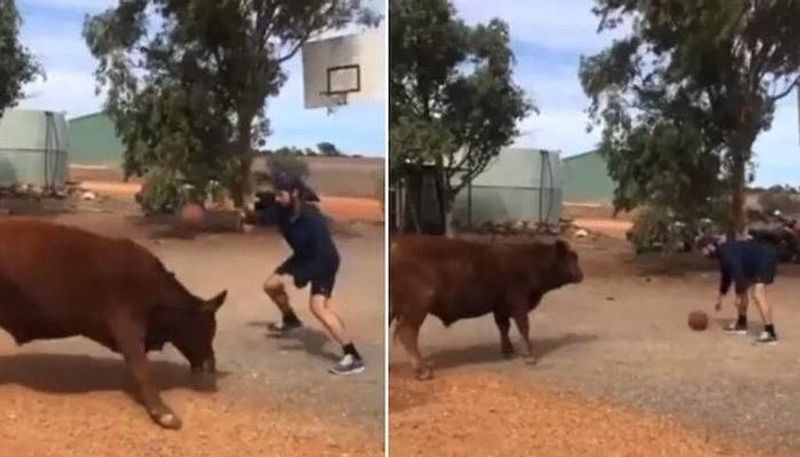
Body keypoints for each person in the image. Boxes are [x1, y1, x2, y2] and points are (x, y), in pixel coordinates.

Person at [262, 172, 365, 375]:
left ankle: (353, 356)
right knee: (270, 285)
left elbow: (323, 253)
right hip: (303, 256)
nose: (277, 198)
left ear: (295, 193)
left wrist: (299, 277)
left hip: (324, 261)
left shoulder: (311, 218)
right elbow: (262, 215)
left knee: (318, 308)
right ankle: (290, 319)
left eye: (280, 194)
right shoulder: (284, 210)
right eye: (276, 194)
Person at [698, 236, 778, 344]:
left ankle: (770, 333)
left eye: (703, 250)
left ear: (709, 246)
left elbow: (738, 272)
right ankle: (741, 324)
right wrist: (721, 297)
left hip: (764, 260)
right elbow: (727, 277)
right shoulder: (722, 253)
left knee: (757, 294)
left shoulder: (725, 252)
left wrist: (738, 296)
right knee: (742, 291)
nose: (703, 254)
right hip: (752, 264)